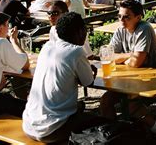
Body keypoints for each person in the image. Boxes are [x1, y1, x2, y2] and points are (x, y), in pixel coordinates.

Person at [22, 12, 99, 143]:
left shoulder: (47, 47)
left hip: (29, 124)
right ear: (80, 31)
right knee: (100, 120)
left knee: (79, 107)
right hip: (51, 129)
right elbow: (88, 82)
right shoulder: (76, 51)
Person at [100, 0, 156, 134]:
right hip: (128, 78)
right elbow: (109, 56)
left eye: (126, 17)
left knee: (130, 104)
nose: (121, 20)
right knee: (105, 101)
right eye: (119, 16)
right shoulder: (120, 30)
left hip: (153, 77)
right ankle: (113, 134)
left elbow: (136, 63)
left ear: (138, 17)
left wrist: (125, 58)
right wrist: (130, 55)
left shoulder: (144, 28)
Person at [0, 12, 29, 117]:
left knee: (7, 98)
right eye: (7, 25)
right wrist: (14, 41)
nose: (8, 29)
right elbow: (25, 64)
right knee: (30, 108)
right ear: (0, 28)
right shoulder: (0, 42)